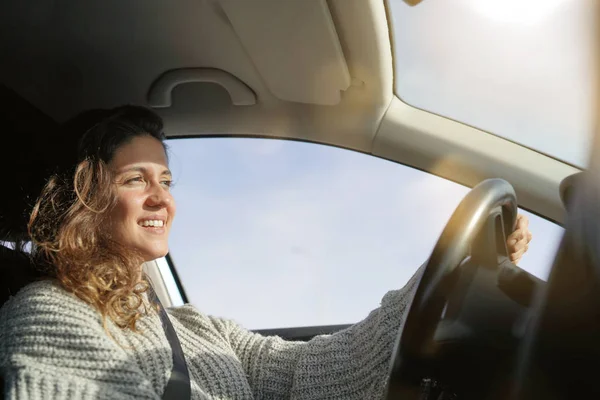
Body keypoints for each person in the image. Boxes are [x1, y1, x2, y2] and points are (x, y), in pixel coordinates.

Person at [0, 105, 533, 400]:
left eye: (166, 179)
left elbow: (303, 373)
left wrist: (432, 284)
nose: (162, 196)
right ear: (86, 197)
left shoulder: (195, 327)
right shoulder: (48, 312)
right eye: (136, 179)